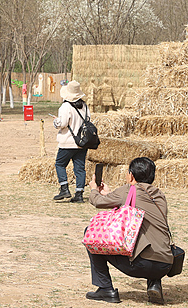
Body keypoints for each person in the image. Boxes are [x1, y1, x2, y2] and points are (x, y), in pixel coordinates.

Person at [85, 157, 173, 304]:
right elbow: (136, 204)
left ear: (131, 175)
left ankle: (105, 288)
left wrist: (94, 190)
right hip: (165, 264)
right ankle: (154, 284)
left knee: (91, 233)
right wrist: (110, 194)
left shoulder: (128, 190)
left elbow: (97, 202)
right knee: (152, 236)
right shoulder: (159, 195)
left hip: (141, 265)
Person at [52, 80, 88, 203]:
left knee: (60, 164)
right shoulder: (85, 106)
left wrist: (56, 121)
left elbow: (62, 124)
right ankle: (79, 194)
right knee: (80, 169)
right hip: (82, 143)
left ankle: (64, 188)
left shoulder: (66, 106)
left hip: (67, 141)